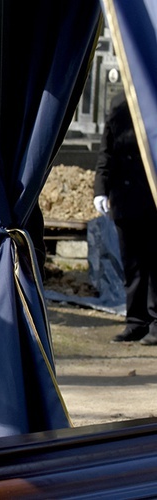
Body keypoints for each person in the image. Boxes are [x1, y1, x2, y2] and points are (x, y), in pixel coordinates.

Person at [94, 91, 157, 345]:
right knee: (132, 266)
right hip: (126, 197)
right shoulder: (119, 103)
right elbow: (106, 151)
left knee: (155, 266)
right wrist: (101, 189)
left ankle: (156, 322)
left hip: (151, 196)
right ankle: (136, 322)